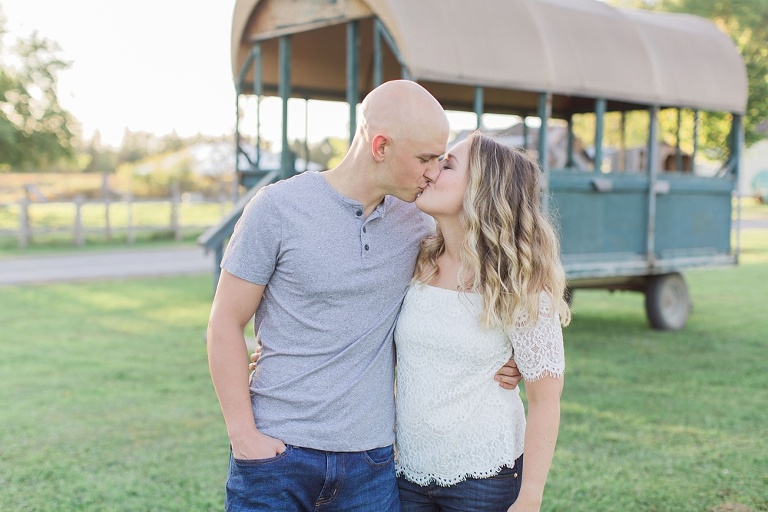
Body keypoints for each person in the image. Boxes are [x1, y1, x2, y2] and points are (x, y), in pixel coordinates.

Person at [206, 80, 520, 512]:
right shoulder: (276, 209)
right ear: (380, 146)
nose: (433, 172)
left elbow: (496, 271)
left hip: (371, 466)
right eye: (426, 159)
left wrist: (512, 353)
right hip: (276, 456)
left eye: (440, 160)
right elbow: (224, 322)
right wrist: (244, 435)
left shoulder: (420, 223)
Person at [394, 131, 571, 512]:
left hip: (483, 479)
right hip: (405, 471)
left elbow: (546, 400)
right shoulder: (414, 256)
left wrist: (530, 497)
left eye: (447, 165)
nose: (431, 172)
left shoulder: (519, 282)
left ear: (482, 188)